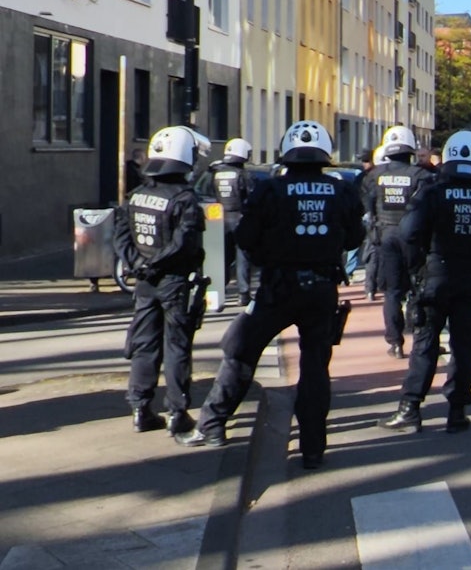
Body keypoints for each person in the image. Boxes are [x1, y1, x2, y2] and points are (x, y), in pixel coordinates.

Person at [176, 121, 364, 468]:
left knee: (240, 350)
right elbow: (354, 239)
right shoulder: (342, 191)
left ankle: (213, 424)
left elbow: (246, 238)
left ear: (286, 153)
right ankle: (312, 449)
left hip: (277, 287)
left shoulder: (271, 190)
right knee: (315, 368)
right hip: (322, 290)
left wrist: (271, 259)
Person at [377, 131, 471, 433]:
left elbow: (408, 232)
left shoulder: (431, 193)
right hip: (470, 278)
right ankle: (457, 411)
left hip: (434, 274)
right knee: (465, 345)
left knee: (425, 343)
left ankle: (410, 409)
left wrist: (418, 264)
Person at [113, 126, 208, 434]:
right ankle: (178, 413)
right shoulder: (184, 200)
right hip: (174, 283)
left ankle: (141, 409)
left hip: (143, 282)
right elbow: (184, 245)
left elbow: (120, 237)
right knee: (177, 346)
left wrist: (138, 264)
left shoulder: (136, 196)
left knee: (144, 345)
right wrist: (156, 265)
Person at [362, 125, 434, 359]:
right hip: (413, 237)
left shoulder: (375, 175)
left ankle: (395, 342)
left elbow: (368, 207)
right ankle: (419, 333)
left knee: (392, 291)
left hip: (385, 236)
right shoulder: (421, 176)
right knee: (417, 287)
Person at [210, 137, 256, 305]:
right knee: (243, 257)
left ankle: (218, 291)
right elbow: (252, 197)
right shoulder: (243, 174)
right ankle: (243, 294)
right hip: (239, 218)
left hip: (220, 218)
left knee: (223, 256)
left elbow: (212, 194)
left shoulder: (217, 173)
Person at [357, 148, 380, 301]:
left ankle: (373, 287)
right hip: (370, 219)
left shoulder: (376, 175)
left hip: (377, 218)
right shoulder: (362, 177)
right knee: (371, 254)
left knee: (373, 253)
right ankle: (370, 288)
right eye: (363, 161)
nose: (364, 164)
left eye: (366, 161)